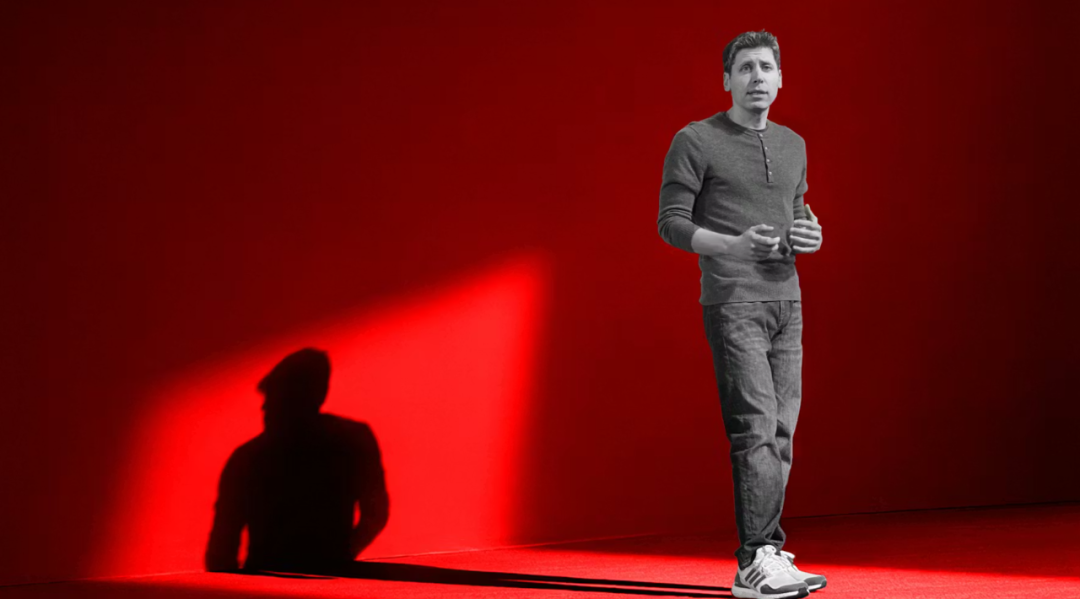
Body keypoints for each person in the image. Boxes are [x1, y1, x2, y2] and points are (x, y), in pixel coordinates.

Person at [657, 31, 825, 599]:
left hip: (787, 301)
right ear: (727, 79)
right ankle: (753, 560)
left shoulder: (794, 144)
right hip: (733, 301)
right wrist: (731, 245)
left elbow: (797, 212)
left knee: (780, 433)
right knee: (754, 429)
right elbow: (671, 221)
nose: (757, 77)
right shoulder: (695, 139)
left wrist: (810, 234)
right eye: (745, 67)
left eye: (766, 67)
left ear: (779, 80)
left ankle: (770, 551)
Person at [205, 348, 389, 573]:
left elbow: (221, 550)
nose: (265, 406)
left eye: (275, 397)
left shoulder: (247, 458)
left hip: (264, 581)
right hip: (332, 577)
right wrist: (339, 557)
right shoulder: (353, 439)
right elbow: (376, 514)